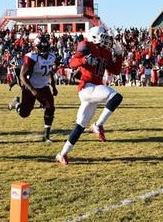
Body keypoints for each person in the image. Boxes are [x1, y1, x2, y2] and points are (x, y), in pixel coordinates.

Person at [55, 26, 124, 165]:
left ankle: (62, 154)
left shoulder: (105, 52)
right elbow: (72, 62)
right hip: (86, 87)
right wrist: (84, 60)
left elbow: (115, 71)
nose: (106, 40)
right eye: (103, 36)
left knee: (80, 125)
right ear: (94, 36)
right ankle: (98, 125)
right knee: (116, 96)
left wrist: (119, 55)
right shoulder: (86, 45)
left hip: (94, 90)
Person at [8, 35, 58, 143]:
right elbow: (22, 76)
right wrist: (32, 89)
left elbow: (50, 72)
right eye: (41, 47)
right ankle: (16, 103)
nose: (44, 49)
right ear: (35, 47)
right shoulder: (31, 57)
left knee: (50, 108)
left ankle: (46, 136)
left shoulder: (51, 56)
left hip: (44, 87)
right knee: (24, 113)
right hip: (30, 86)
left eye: (45, 47)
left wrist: (53, 86)